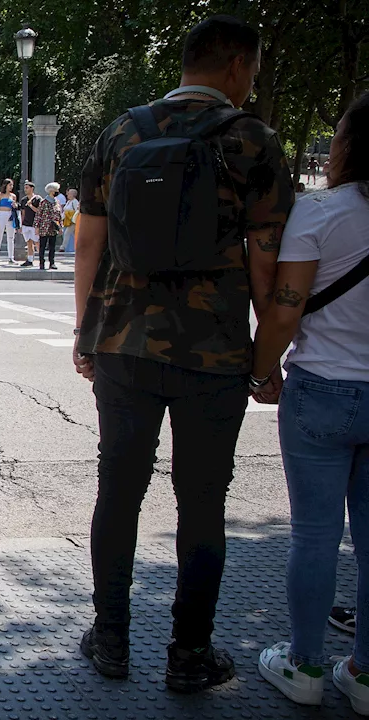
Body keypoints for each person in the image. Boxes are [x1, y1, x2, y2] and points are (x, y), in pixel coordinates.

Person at [72, 15, 295, 694]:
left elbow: (89, 246)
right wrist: (265, 357)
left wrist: (86, 331)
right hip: (216, 355)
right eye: (251, 70)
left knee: (119, 489)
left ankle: (110, 639)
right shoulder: (253, 141)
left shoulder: (121, 133)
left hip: (124, 346)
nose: (251, 82)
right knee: (201, 502)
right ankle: (188, 653)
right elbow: (267, 263)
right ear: (233, 67)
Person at [253, 90, 369, 711]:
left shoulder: (321, 212)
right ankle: (367, 674)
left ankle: (304, 664)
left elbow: (286, 308)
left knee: (316, 535)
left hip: (323, 385)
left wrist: (261, 370)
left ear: (348, 146)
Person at [36, 182, 64, 270]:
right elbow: (38, 214)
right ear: (51, 191)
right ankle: (41, 262)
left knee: (52, 246)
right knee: (42, 246)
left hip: (54, 227)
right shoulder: (43, 202)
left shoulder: (57, 202)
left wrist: (60, 226)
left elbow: (59, 215)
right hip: (44, 226)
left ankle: (52, 262)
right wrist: (37, 226)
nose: (57, 191)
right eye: (56, 190)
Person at [0, 178, 19, 264]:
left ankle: (11, 257)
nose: (11, 187)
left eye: (12, 185)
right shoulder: (0, 195)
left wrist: (15, 205)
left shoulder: (13, 196)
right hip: (2, 214)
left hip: (10, 214)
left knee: (11, 237)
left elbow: (15, 206)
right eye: (10, 185)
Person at [18, 182, 41, 267]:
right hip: (26, 224)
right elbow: (23, 213)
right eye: (25, 188)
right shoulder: (24, 200)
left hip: (34, 224)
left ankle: (41, 259)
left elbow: (39, 211)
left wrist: (31, 205)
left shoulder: (37, 199)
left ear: (32, 188)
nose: (25, 189)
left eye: (27, 188)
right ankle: (30, 260)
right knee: (29, 242)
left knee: (37, 242)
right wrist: (21, 224)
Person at [63, 188, 81, 253]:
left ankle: (63, 247)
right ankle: (77, 247)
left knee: (67, 233)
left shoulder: (75, 202)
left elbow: (77, 211)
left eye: (69, 193)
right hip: (68, 220)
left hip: (72, 221)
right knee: (74, 235)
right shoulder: (68, 201)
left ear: (73, 195)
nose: (67, 194)